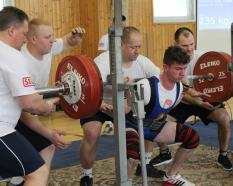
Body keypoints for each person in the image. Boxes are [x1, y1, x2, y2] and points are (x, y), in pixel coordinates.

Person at [79, 26, 162, 186]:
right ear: (121, 45)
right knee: (91, 132)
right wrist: (101, 105)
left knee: (149, 119)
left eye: (139, 47)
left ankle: (143, 165)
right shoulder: (103, 62)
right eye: (132, 47)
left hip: (125, 105)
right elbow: (88, 90)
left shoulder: (142, 62)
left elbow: (161, 79)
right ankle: (87, 175)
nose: (137, 51)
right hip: (98, 102)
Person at [7, 18, 86, 186]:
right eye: (48, 37)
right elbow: (24, 112)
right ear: (33, 39)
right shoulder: (22, 62)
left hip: (27, 110)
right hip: (14, 116)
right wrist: (48, 132)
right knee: (45, 144)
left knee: (46, 147)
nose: (53, 40)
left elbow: (66, 41)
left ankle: (26, 181)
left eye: (53, 36)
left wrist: (74, 39)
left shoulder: (47, 48)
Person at [150, 27, 233, 171]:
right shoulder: (171, 63)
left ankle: (223, 155)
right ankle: (164, 153)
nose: (189, 49)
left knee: (224, 118)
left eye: (191, 44)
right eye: (184, 45)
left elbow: (222, 75)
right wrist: (197, 100)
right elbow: (179, 91)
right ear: (175, 44)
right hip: (181, 101)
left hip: (204, 99)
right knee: (156, 121)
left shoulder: (204, 58)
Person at [0, 6, 59, 186]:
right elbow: (30, 103)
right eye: (24, 34)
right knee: (38, 173)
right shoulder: (11, 55)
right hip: (2, 129)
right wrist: (47, 106)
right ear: (11, 31)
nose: (26, 39)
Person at [125, 45, 199, 185]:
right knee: (133, 151)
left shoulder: (179, 88)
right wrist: (128, 94)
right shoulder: (145, 87)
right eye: (177, 69)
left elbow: (162, 113)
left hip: (149, 125)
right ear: (165, 67)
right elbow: (123, 114)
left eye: (184, 68)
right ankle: (126, 183)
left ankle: (171, 176)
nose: (182, 73)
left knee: (192, 137)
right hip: (131, 124)